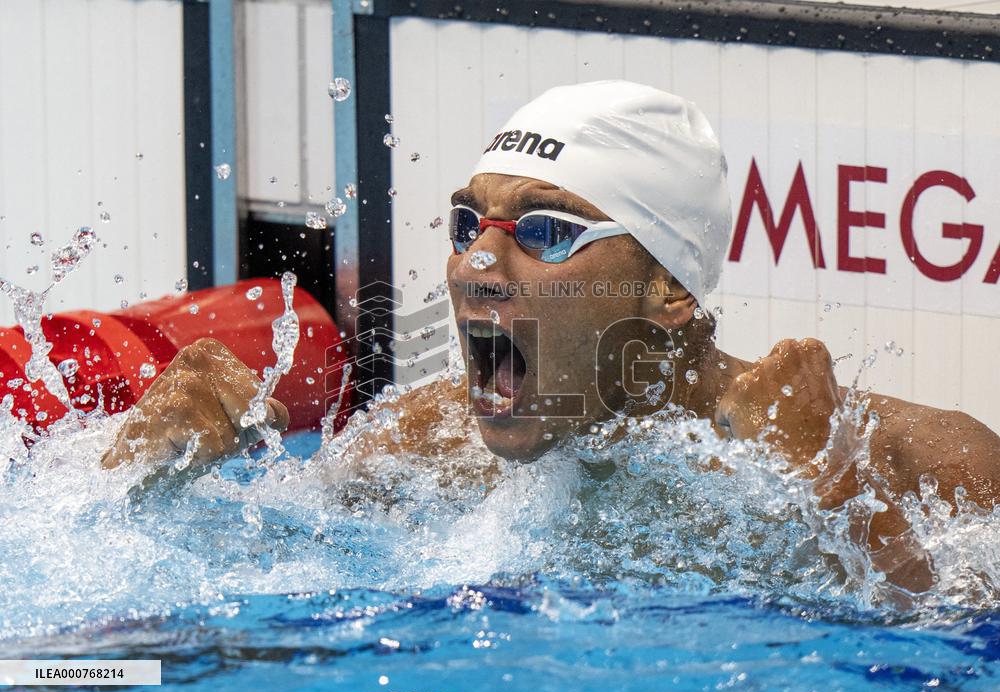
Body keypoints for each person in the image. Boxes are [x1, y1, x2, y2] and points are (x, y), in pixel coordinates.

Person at [100, 81, 1000, 591]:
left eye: (544, 231)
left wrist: (832, 483)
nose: (475, 266)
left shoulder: (942, 462)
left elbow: (947, 663)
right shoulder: (434, 441)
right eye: (467, 224)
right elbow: (253, 574)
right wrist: (175, 480)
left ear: (669, 290)